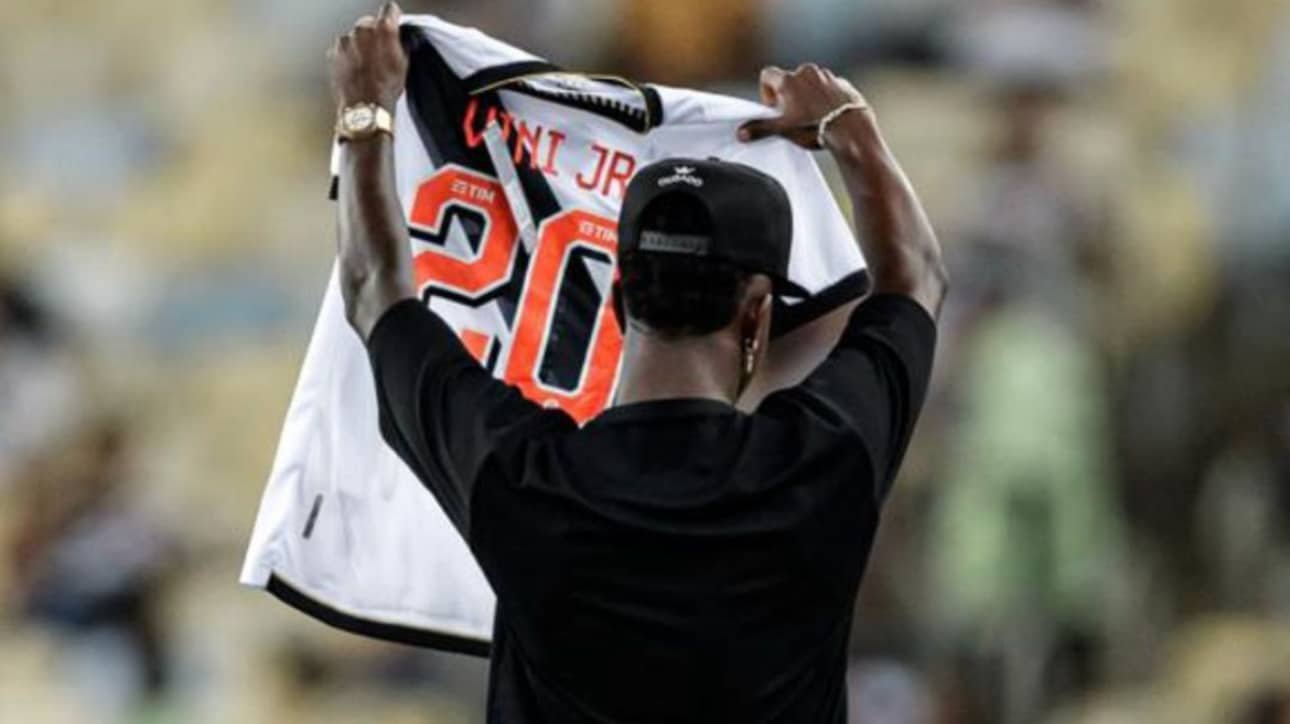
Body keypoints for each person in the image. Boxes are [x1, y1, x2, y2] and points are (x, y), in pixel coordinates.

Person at [327, 4, 947, 721]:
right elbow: (916, 275)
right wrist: (847, 124)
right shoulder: (822, 461)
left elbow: (374, 288)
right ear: (756, 315)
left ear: (619, 298)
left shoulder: (522, 477)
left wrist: (367, 107)